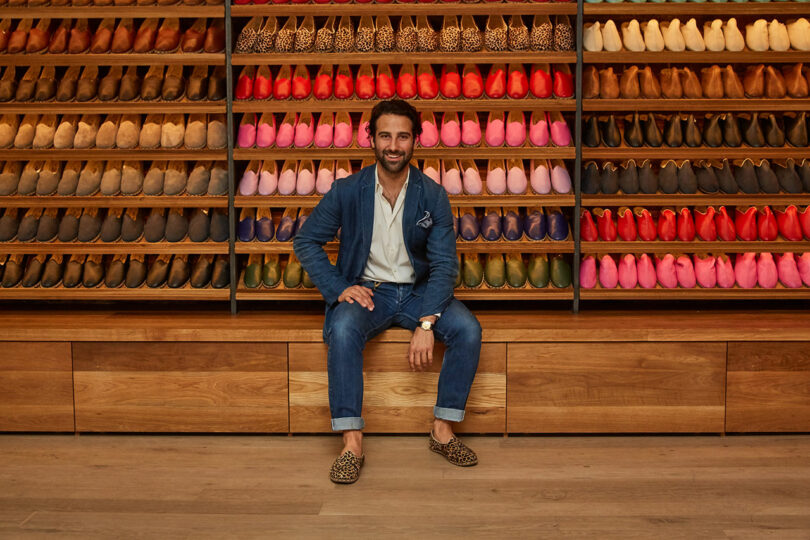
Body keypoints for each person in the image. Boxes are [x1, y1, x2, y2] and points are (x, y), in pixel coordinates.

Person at [293, 99, 482, 484]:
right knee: (343, 330)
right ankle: (352, 443)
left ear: (416, 141)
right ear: (371, 139)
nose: (393, 145)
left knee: (468, 330)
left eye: (402, 136)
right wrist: (339, 287)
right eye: (385, 136)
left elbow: (445, 265)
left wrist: (427, 322)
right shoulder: (347, 191)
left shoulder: (433, 195)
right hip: (369, 292)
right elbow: (307, 241)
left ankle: (442, 430)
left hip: (418, 292)